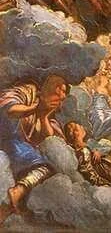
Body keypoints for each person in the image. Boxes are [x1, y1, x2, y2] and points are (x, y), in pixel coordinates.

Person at [0, 75, 69, 223]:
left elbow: (49, 141)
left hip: (18, 151)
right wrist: (36, 107)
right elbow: (9, 111)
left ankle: (15, 195)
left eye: (63, 96)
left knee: (47, 168)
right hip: (6, 139)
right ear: (47, 89)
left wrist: (43, 116)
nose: (60, 98)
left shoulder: (49, 117)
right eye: (58, 91)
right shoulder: (27, 92)